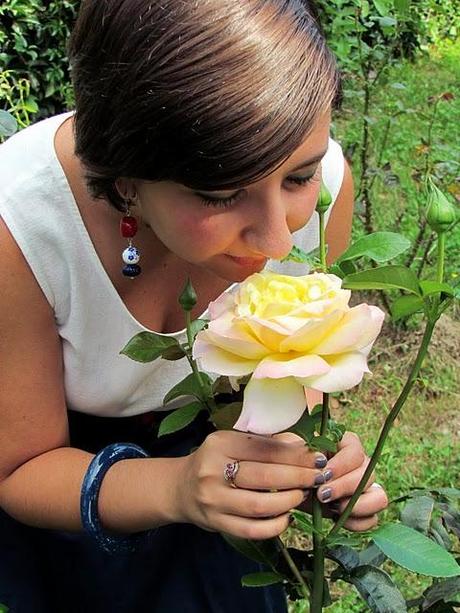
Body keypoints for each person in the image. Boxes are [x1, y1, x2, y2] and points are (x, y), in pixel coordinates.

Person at [0, 1, 388, 611]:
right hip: (71, 515)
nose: (281, 241)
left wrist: (309, 456)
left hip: (226, 522)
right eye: (218, 193)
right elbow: (19, 468)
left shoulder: (324, 192)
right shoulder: (19, 226)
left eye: (298, 176)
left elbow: (292, 383)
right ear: (125, 176)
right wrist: (178, 486)